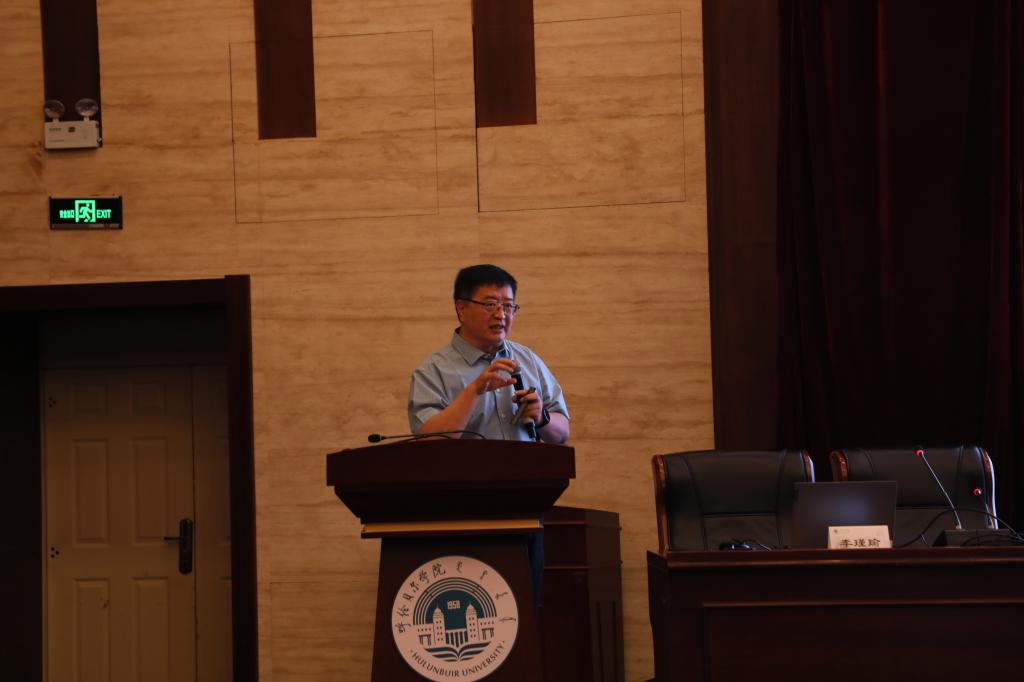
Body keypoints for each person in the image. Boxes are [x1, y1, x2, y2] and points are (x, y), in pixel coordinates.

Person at [408, 264, 569, 442]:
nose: (501, 315)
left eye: (508, 306)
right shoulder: (432, 371)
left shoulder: (527, 359)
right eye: (491, 305)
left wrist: (541, 417)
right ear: (461, 309)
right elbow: (427, 440)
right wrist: (474, 391)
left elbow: (563, 431)